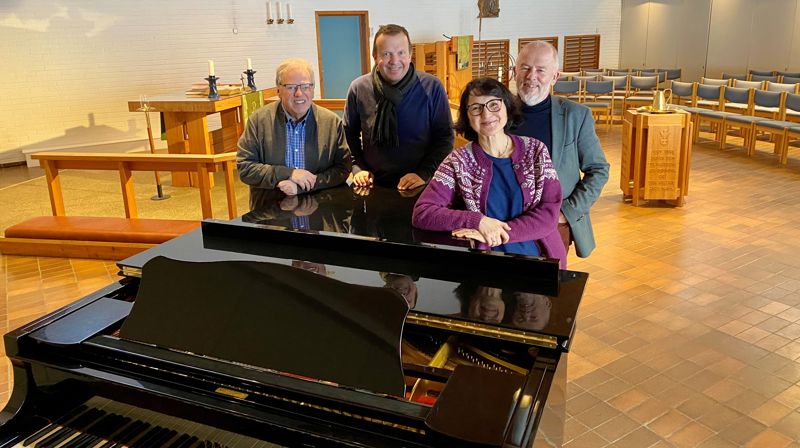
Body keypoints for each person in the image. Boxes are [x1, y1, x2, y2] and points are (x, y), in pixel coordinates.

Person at [412, 77, 566, 268]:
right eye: (476, 108)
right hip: (485, 266)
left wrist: (502, 233)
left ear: (507, 107)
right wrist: (478, 221)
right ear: (467, 117)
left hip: (538, 260)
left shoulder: (536, 151)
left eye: (493, 104)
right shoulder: (458, 161)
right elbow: (423, 212)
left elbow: (549, 212)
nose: (486, 114)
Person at [513, 41, 609, 258]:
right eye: (525, 68)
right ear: (514, 72)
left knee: (546, 290)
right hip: (507, 223)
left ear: (555, 77)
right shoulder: (498, 113)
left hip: (554, 225)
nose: (531, 76)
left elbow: (599, 170)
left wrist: (568, 212)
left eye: (540, 70)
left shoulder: (576, 116)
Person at [344, 24, 454, 191]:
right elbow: (348, 134)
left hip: (421, 185)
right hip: (372, 185)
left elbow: (444, 138)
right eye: (386, 54)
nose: (394, 61)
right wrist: (358, 167)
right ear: (375, 56)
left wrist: (423, 173)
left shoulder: (432, 87)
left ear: (410, 55)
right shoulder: (359, 88)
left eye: (401, 53)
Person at [237, 58, 351, 208]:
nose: (299, 93)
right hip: (270, 212)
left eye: (305, 86)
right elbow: (245, 167)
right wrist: (288, 173)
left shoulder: (331, 122)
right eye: (291, 87)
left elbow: (343, 168)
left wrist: (305, 186)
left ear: (313, 89)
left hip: (319, 210)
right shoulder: (258, 121)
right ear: (278, 90)